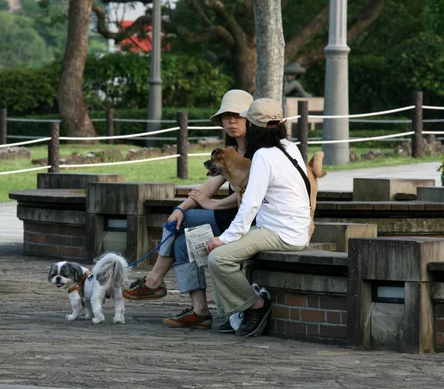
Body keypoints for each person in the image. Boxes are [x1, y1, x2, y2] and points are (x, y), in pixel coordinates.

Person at [122, 89, 254, 329]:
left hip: (248, 219)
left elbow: (251, 195)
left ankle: (154, 280)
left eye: (238, 116)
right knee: (183, 239)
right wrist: (180, 208)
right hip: (231, 216)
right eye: (226, 117)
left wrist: (212, 204)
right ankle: (200, 311)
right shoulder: (233, 150)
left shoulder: (259, 152)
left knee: (185, 221)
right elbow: (209, 187)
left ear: (250, 119)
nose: (232, 121)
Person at [206, 98, 311, 337]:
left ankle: (255, 305)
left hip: (281, 233)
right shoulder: (289, 147)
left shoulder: (264, 156)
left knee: (218, 258)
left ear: (253, 127)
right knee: (220, 250)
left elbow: (250, 203)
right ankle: (236, 313)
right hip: (293, 229)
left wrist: (225, 239)